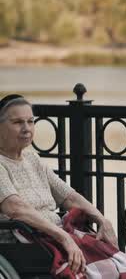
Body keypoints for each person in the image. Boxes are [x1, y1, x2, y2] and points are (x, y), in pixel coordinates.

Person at [0, 94, 118, 275]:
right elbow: (16, 208)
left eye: (30, 122)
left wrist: (102, 220)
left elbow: (69, 196)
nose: (26, 129)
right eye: (17, 122)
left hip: (50, 236)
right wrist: (63, 237)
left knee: (113, 258)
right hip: (24, 242)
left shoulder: (33, 159)